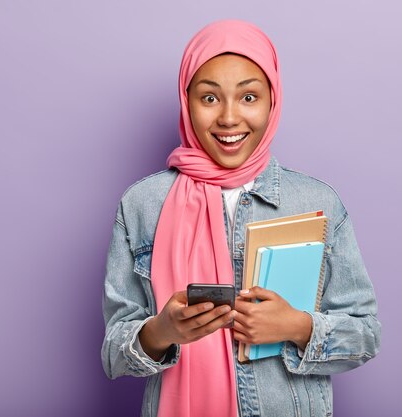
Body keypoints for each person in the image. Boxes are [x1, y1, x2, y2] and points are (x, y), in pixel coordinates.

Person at [101, 19, 381, 417]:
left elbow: (366, 336)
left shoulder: (317, 203)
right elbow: (114, 354)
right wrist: (162, 331)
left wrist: (296, 327)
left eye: (248, 97)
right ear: (186, 101)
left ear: (273, 100)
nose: (229, 118)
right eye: (210, 98)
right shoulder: (142, 204)